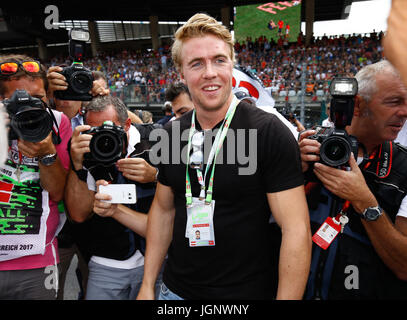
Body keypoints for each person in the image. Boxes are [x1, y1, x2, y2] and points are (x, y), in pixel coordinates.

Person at [133, 13, 311, 300]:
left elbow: (295, 229)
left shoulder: (268, 131)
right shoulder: (171, 133)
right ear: (181, 73)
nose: (210, 73)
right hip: (175, 292)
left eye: (219, 60)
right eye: (196, 63)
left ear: (232, 64)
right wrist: (147, 284)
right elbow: (164, 211)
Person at [299, 60, 407, 299]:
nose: (404, 112)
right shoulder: (309, 148)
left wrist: (365, 202)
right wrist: (293, 171)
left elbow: (404, 266)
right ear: (357, 105)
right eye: (393, 101)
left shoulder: (404, 169)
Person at [64, 95, 158, 300]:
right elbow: (78, 215)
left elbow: (179, 195)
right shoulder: (85, 150)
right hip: (106, 261)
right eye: (93, 131)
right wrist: (77, 165)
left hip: (155, 260)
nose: (102, 137)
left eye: (110, 129)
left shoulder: (155, 140)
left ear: (127, 124)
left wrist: (155, 176)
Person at [0, 54, 71, 299]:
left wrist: (46, 154)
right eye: (17, 101)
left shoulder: (57, 123)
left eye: (38, 99)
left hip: (38, 263)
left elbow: (58, 192)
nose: (29, 109)